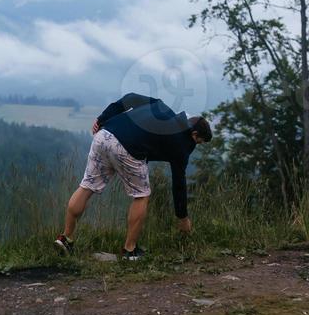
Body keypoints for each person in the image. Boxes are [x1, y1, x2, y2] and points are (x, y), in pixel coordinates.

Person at [55, 92, 212, 261]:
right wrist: (183, 217)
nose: (196, 145)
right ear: (195, 135)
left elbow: (129, 98)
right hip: (128, 148)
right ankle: (129, 251)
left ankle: (65, 238)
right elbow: (179, 183)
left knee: (86, 186)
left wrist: (102, 118)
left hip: (105, 134)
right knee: (141, 196)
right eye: (199, 142)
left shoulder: (160, 106)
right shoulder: (183, 145)